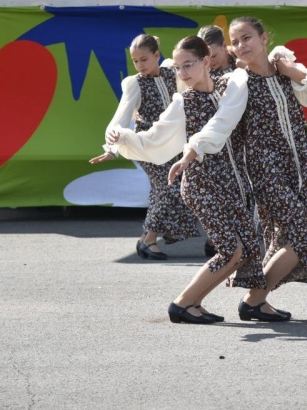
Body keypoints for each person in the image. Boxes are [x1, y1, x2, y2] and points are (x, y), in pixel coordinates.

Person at [170, 16, 307, 322]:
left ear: (264, 37)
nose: (241, 46)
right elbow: (221, 121)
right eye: (235, 41)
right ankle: (251, 300)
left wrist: (289, 67)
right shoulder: (237, 81)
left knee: (289, 238)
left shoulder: (283, 70)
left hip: (299, 169)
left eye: (247, 38)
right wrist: (192, 149)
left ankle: (255, 301)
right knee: (303, 236)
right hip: (266, 172)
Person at [107, 36, 267, 324]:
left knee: (246, 249)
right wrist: (122, 138)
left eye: (188, 66)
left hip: (234, 185)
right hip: (201, 185)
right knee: (233, 249)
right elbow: (154, 137)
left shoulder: (228, 89)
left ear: (206, 62)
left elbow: (229, 113)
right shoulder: (183, 101)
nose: (181, 74)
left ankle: (203, 302)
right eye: (178, 68)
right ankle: (181, 303)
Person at [89, 34, 200, 260]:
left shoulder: (172, 73)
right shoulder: (135, 83)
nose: (139, 65)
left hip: (174, 143)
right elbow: (120, 118)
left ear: (157, 55)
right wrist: (111, 149)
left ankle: (145, 240)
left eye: (144, 59)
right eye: (135, 61)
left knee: (164, 190)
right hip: (148, 145)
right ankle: (149, 240)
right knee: (170, 189)